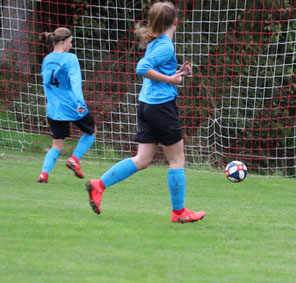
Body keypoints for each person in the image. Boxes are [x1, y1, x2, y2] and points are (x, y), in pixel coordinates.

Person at [85, 2, 205, 223]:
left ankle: (98, 185)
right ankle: (179, 213)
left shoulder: (155, 42)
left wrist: (178, 73)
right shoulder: (166, 45)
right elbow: (142, 68)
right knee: (177, 160)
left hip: (147, 105)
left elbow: (155, 71)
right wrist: (171, 79)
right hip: (161, 107)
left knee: (142, 159)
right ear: (176, 22)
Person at [37, 27, 97, 183]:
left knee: (57, 144)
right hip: (72, 106)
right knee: (92, 131)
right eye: (70, 42)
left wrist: (51, 104)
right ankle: (74, 159)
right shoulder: (70, 59)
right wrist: (80, 102)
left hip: (54, 109)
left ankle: (44, 173)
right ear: (63, 42)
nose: (71, 45)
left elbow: (46, 84)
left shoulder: (47, 59)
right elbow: (76, 83)